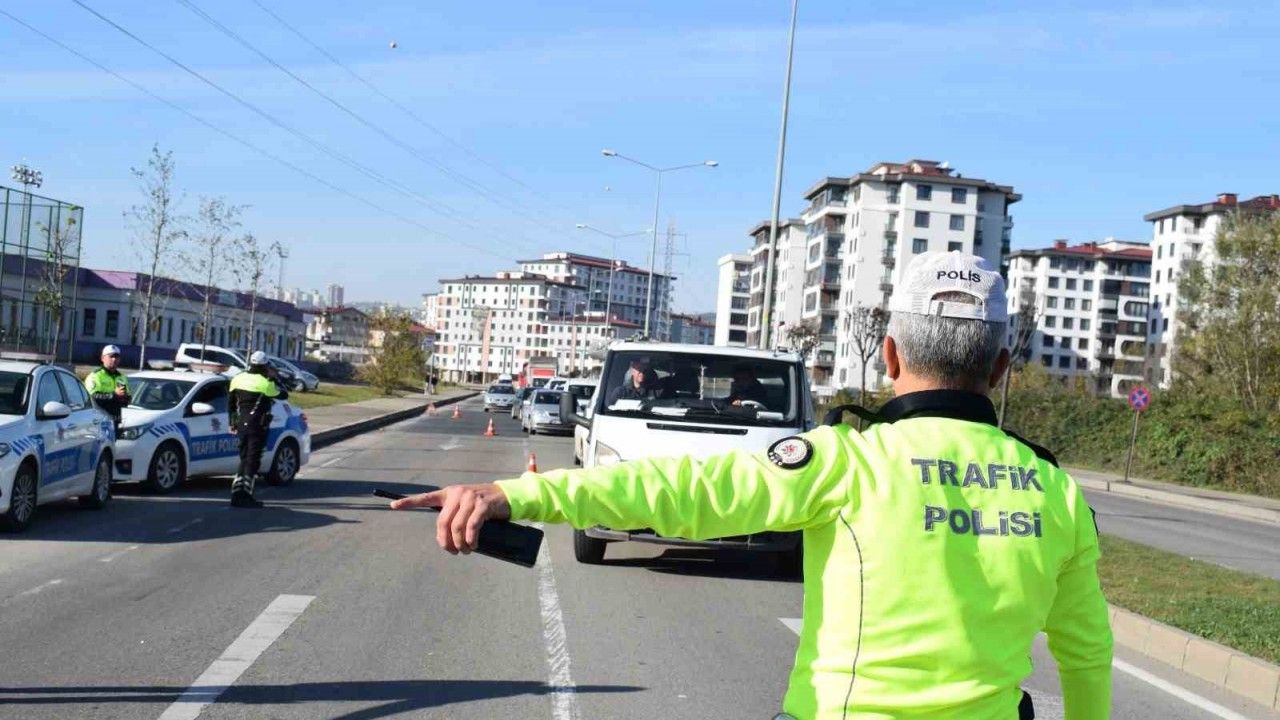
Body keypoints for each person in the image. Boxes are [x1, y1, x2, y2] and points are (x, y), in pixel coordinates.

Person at [390, 252, 1113, 720]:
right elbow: (1085, 654)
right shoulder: (1056, 493)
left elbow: (683, 491)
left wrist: (520, 496)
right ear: (1000, 368)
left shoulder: (847, 462)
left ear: (888, 354)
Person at [228, 351, 287, 508]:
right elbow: (284, 394)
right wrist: (274, 377)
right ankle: (246, 496)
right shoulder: (265, 383)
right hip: (258, 424)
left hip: (241, 423)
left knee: (244, 457)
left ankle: (236, 494)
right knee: (253, 460)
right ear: (265, 366)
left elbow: (231, 404)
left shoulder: (237, 378)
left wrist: (232, 423)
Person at [84, 344, 131, 433]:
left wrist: (125, 398)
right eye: (111, 356)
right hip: (98, 421)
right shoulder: (95, 376)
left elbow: (127, 398)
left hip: (115, 420)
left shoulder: (121, 377)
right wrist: (114, 395)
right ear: (102, 358)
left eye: (117, 357)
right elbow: (92, 397)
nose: (114, 359)